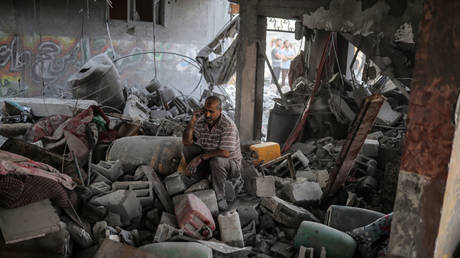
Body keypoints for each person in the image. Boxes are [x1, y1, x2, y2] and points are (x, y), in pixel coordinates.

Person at [182, 96, 242, 210]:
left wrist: (201, 157)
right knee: (188, 148)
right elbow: (186, 142)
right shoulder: (201, 121)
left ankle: (220, 197)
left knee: (217, 161)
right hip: (208, 159)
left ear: (220, 111)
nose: (207, 115)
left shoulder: (228, 125)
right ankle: (200, 179)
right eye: (205, 110)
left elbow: (225, 153)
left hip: (231, 165)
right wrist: (192, 123)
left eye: (211, 112)